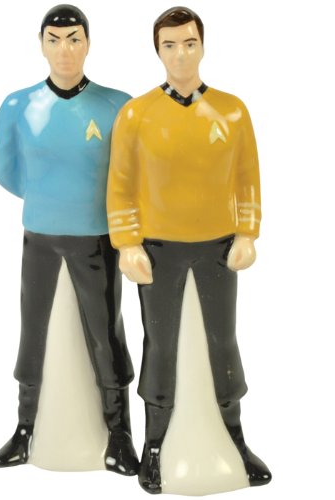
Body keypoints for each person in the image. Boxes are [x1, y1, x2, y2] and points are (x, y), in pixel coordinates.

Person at [107, 6, 271, 493]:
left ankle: (234, 439)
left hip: (218, 247)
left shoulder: (233, 110)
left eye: (189, 43)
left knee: (223, 341)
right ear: (157, 51)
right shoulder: (136, 115)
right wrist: (127, 243)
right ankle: (155, 446)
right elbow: (121, 186)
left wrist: (247, 233)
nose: (180, 54)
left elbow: (247, 177)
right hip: (159, 249)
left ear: (203, 46)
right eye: (170, 45)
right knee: (160, 345)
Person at [0, 4, 138, 476]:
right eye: (54, 40)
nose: (65, 50)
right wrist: (49, 200)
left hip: (97, 238)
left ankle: (119, 433)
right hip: (41, 235)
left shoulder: (117, 106)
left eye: (74, 39)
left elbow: (130, 174)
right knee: (32, 329)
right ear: (40, 45)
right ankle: (26, 427)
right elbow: (6, 171)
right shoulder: (17, 106)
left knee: (105, 330)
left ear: (88, 44)